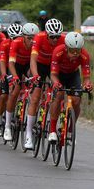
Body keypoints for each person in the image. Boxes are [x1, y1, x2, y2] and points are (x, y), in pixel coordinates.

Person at [23, 18, 66, 149]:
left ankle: (54, 124)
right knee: (35, 97)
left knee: (59, 93)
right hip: (40, 65)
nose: (54, 39)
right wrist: (35, 76)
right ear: (47, 34)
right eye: (52, 36)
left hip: (55, 67)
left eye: (57, 36)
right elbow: (33, 60)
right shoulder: (39, 38)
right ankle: (29, 134)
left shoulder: (63, 40)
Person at [48, 32, 93, 143]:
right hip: (59, 74)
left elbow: (86, 77)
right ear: (66, 47)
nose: (75, 53)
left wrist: (87, 84)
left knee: (76, 101)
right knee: (58, 96)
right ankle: (52, 131)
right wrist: (56, 83)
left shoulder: (84, 55)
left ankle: (70, 129)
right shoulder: (58, 52)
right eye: (72, 50)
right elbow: (53, 75)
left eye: (77, 50)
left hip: (73, 75)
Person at [2, 23, 39, 141]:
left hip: (28, 66)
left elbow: (37, 64)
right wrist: (15, 77)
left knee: (37, 90)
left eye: (34, 38)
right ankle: (7, 126)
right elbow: (10, 63)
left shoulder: (36, 45)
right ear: (23, 36)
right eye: (29, 38)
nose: (32, 41)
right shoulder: (16, 42)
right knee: (15, 90)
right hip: (16, 66)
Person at [0, 23, 25, 136]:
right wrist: (4, 75)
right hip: (7, 67)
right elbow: (2, 61)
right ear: (10, 38)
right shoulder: (5, 44)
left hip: (18, 67)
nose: (17, 40)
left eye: (19, 38)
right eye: (14, 38)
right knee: (4, 96)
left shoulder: (24, 44)